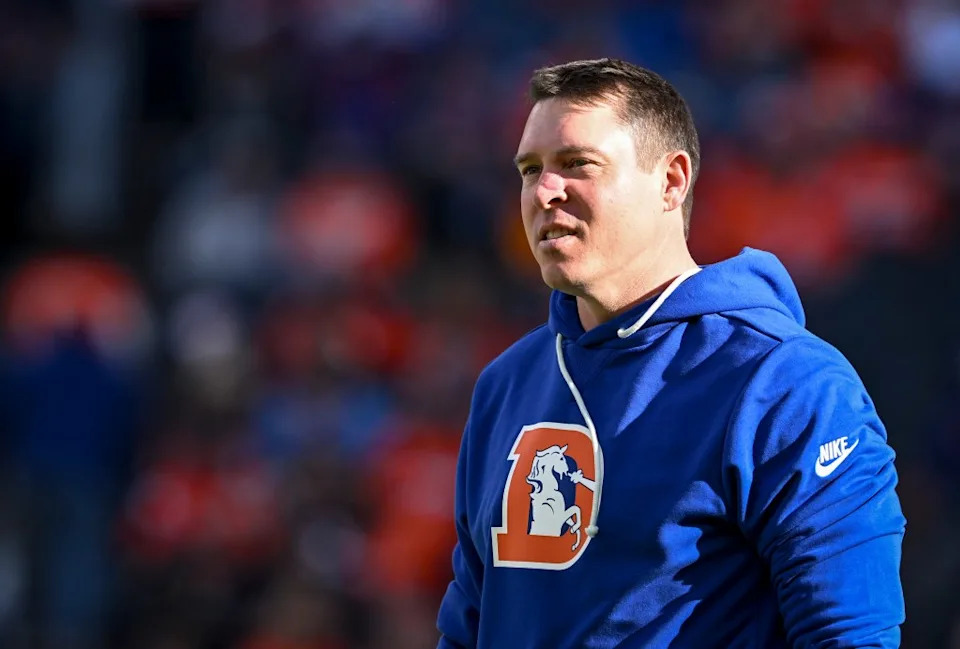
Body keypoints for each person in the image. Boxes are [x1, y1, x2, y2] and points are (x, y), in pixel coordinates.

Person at [435, 58, 905, 648]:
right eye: (530, 170)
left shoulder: (784, 382)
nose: (544, 190)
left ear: (672, 181)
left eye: (577, 164)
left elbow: (850, 637)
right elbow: (468, 627)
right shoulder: (506, 384)